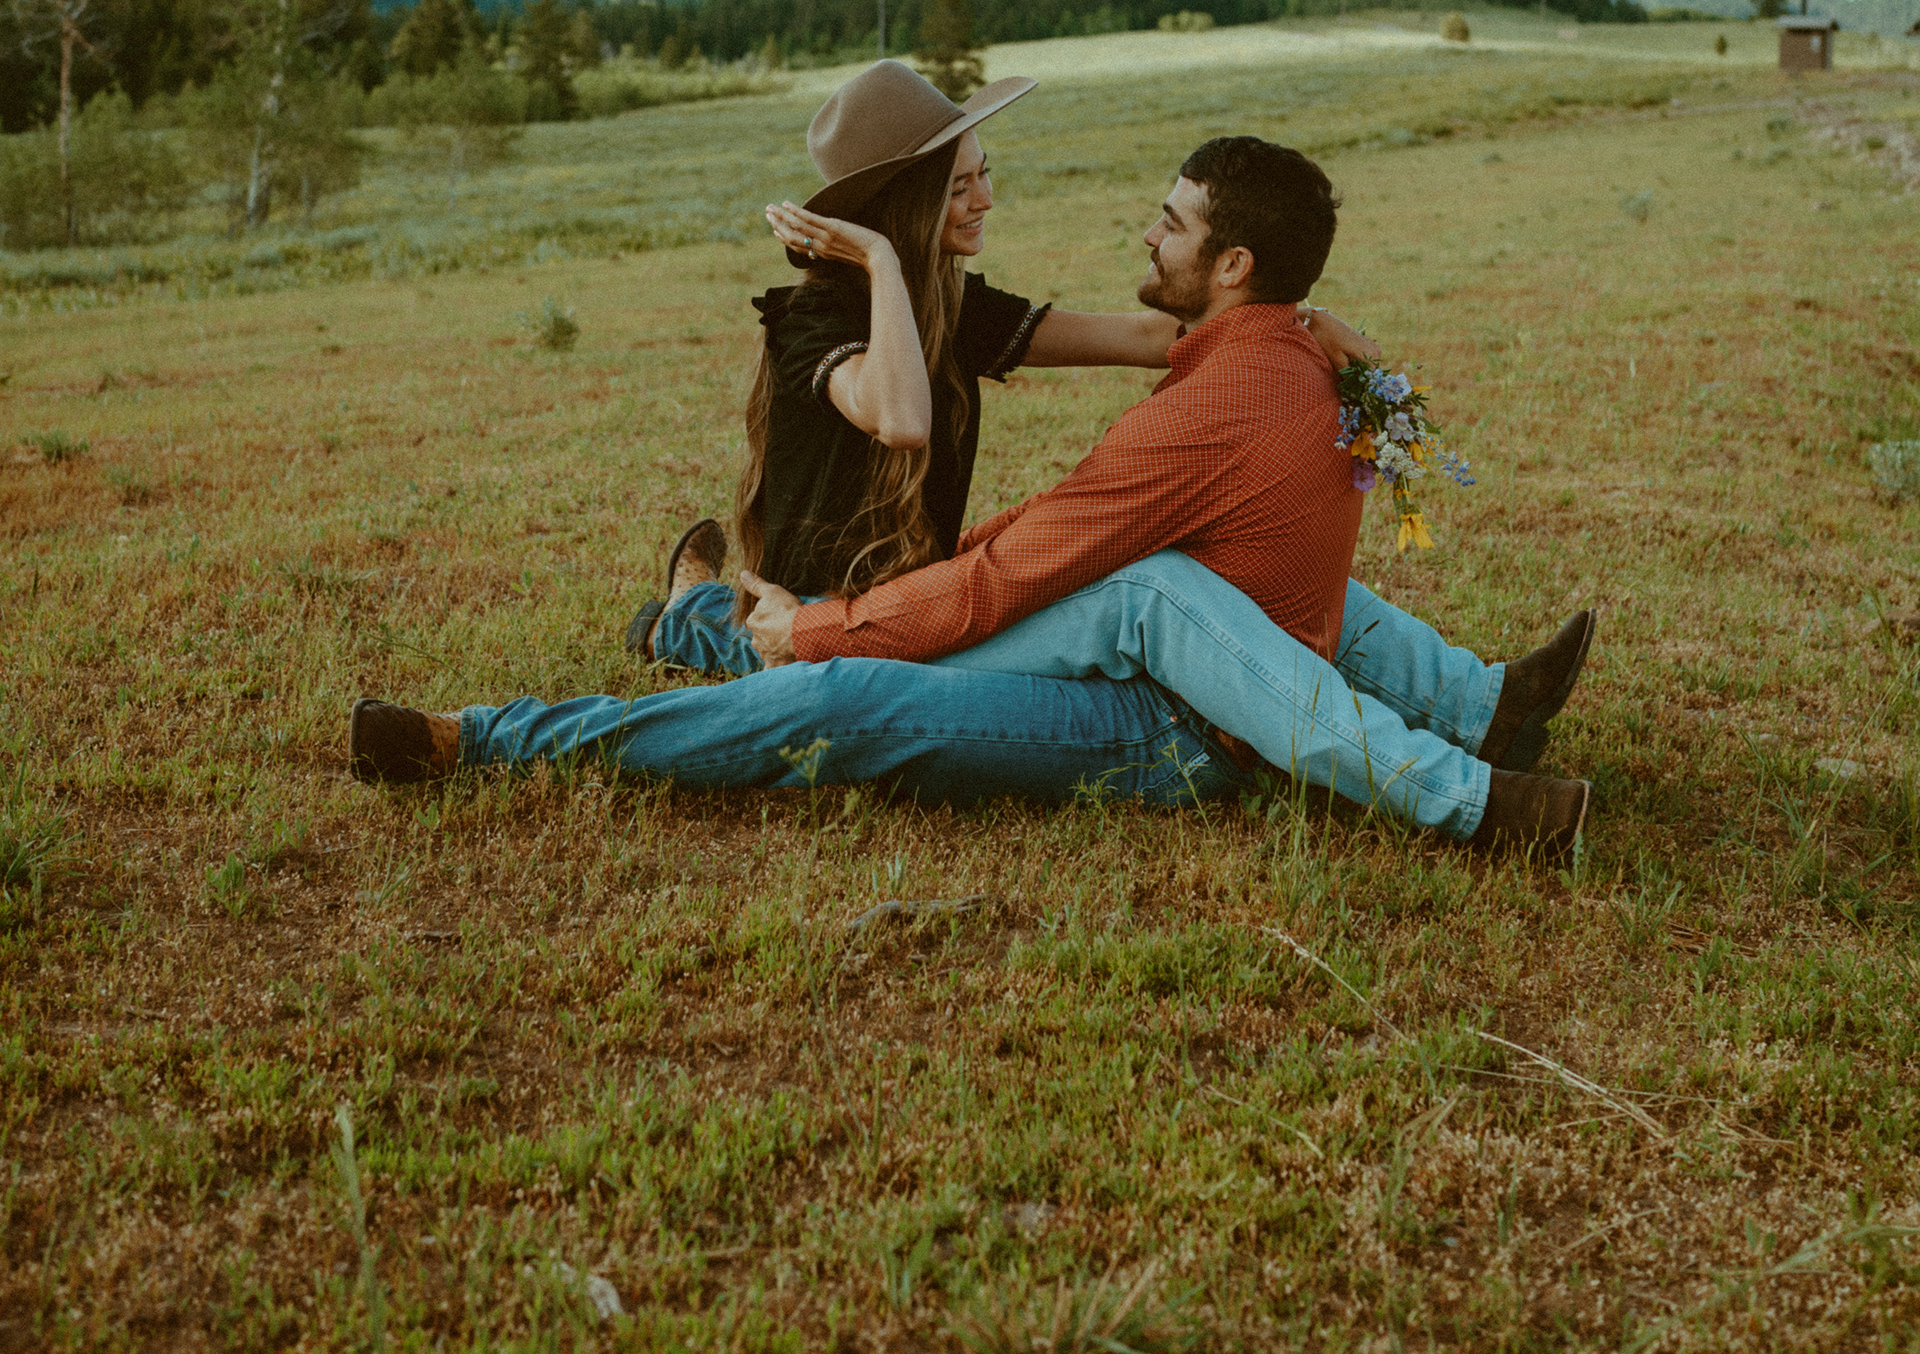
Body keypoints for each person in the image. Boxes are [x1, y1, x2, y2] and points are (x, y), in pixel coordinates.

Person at [350, 136, 1595, 856]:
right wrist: (1331, 334)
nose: (1139, 233)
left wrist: (835, 620)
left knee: (838, 693)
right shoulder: (1271, 359)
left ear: (1232, 264)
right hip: (1045, 628)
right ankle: (695, 621)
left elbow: (1018, 561)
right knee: (1116, 590)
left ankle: (498, 732)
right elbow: (947, 428)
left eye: (1167, 225)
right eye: (963, 186)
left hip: (1159, 720)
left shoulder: (1214, 397)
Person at [624, 57, 1380, 661]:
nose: (986, 198)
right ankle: (683, 620)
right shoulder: (813, 317)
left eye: (985, 171)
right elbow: (902, 419)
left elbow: (1152, 338)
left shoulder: (955, 304)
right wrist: (883, 261)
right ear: (906, 207)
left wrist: (1296, 313)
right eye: (961, 185)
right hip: (819, 603)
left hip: (909, 589)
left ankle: (696, 600)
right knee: (761, 646)